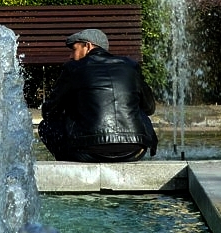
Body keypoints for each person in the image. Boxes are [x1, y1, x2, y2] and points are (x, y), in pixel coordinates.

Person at [38, 28, 158, 162]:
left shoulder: (73, 68)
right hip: (134, 150)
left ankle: (68, 165)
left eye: (74, 49)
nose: (71, 56)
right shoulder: (130, 66)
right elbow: (149, 108)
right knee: (137, 108)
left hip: (87, 152)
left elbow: (49, 112)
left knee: (45, 125)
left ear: (87, 46)